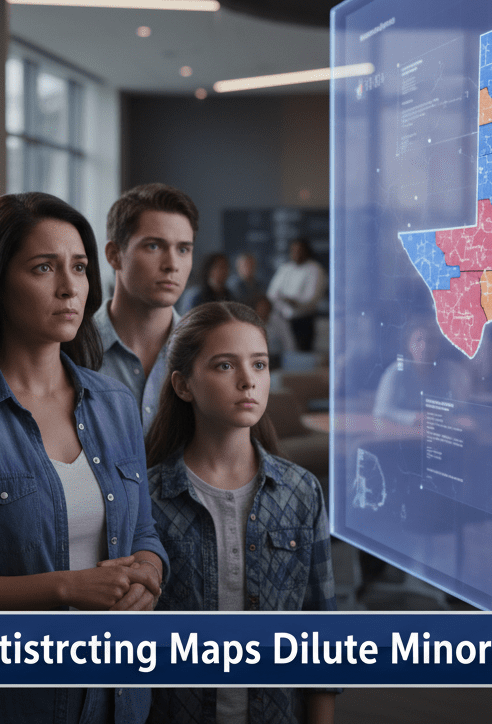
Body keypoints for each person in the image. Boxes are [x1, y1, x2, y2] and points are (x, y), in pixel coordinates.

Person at [0, 192, 167, 724]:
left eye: (80, 268)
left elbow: (144, 532)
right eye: (44, 268)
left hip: (118, 696)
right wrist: (65, 587)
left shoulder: (114, 403)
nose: (69, 288)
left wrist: (150, 571)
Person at [144, 302, 335, 724]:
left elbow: (321, 635)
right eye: (225, 366)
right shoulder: (147, 496)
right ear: (183, 385)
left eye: (260, 365)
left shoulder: (302, 492)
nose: (249, 381)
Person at [93, 182, 197, 431]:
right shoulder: (71, 349)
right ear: (114, 255)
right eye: (153, 246)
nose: (172, 264)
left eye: (183, 249)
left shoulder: (203, 351)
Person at [266, 238, 325, 352]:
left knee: (301, 356)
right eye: (293, 250)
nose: (296, 253)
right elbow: (271, 294)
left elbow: (310, 299)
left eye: (300, 250)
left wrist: (287, 299)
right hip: (280, 320)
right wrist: (286, 300)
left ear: (307, 251)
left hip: (303, 322)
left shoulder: (315, 269)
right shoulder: (285, 268)